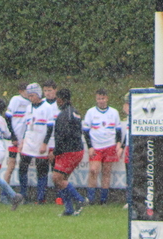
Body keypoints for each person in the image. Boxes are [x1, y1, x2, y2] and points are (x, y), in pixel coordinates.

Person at [44, 88, 87, 216]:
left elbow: (63, 135)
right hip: (75, 149)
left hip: (70, 151)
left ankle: (80, 199)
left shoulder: (64, 115)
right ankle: (69, 209)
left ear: (60, 100)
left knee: (57, 178)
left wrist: (55, 152)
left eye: (57, 99)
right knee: (62, 180)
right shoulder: (74, 112)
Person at [82, 89, 122, 206]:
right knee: (93, 170)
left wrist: (118, 143)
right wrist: (90, 146)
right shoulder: (91, 112)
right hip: (96, 147)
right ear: (96, 99)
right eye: (99, 99)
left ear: (107, 98)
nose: (101, 101)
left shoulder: (114, 112)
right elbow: (86, 131)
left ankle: (103, 200)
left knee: (106, 172)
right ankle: (90, 198)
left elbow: (118, 130)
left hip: (109, 146)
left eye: (103, 98)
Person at [18, 83, 53, 204]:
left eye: (32, 95)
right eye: (29, 96)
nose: (30, 98)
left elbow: (50, 128)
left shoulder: (47, 107)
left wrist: (45, 143)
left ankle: (41, 197)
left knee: (42, 170)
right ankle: (23, 195)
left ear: (38, 95)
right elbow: (27, 126)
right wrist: (22, 141)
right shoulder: (29, 108)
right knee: (22, 168)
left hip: (40, 142)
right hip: (29, 141)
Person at [4, 83, 33, 187]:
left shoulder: (31, 103)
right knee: (11, 165)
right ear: (21, 91)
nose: (28, 93)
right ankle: (5, 191)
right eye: (26, 91)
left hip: (25, 140)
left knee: (24, 166)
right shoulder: (16, 100)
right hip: (15, 139)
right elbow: (7, 117)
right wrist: (13, 136)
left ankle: (23, 192)